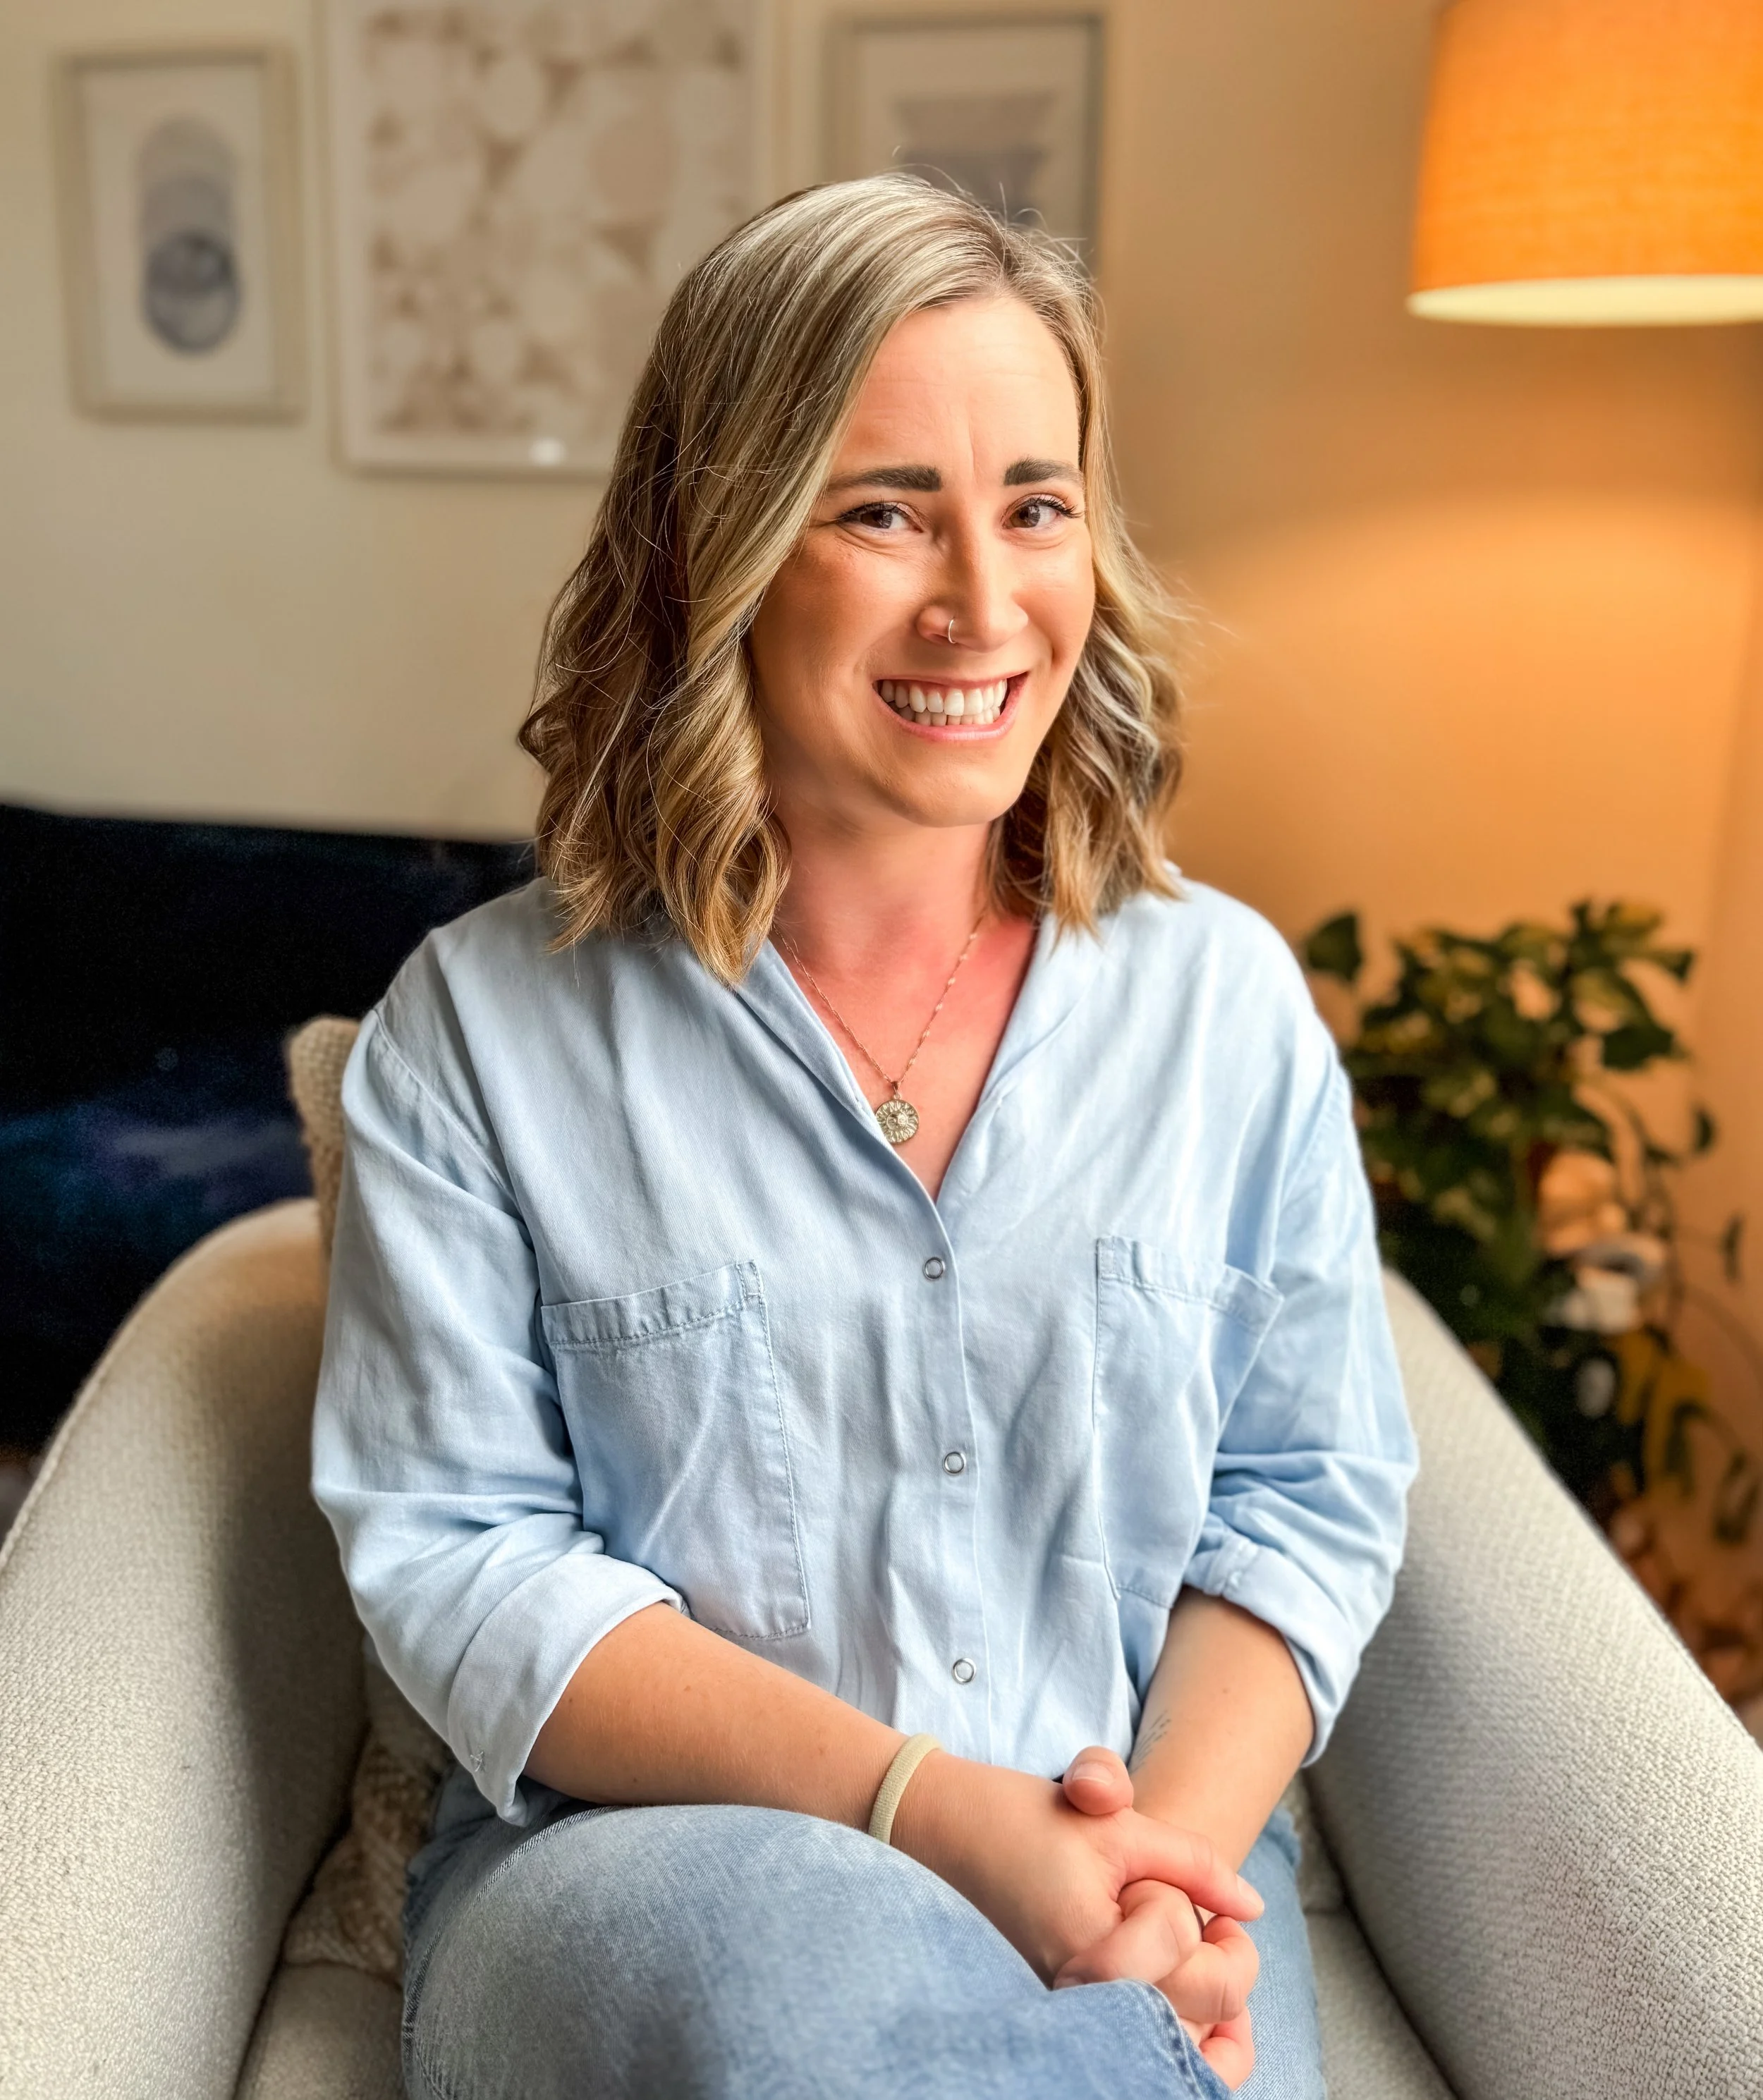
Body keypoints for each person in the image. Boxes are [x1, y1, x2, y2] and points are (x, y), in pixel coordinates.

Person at [312, 175, 1415, 2100]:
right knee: (805, 1995)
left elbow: (1302, 1497)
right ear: (717, 549)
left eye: (1036, 506)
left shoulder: (1222, 1009)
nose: (983, 606)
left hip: (1155, 1849)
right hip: (640, 1880)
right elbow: (466, 1564)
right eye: (883, 509)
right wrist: (927, 1811)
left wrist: (1138, 1875)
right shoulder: (478, 1037)